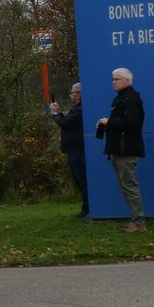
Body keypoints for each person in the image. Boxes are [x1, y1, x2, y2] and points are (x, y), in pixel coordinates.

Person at [96, 67, 146, 233]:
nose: (113, 82)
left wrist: (109, 122)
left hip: (126, 149)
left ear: (127, 80)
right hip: (118, 149)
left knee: (129, 186)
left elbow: (132, 122)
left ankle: (139, 222)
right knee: (124, 186)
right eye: (113, 79)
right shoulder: (121, 99)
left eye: (116, 79)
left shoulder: (131, 99)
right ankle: (135, 220)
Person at [50, 83, 88, 218]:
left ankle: (87, 209)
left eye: (72, 93)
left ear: (79, 95)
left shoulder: (79, 110)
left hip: (77, 149)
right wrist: (59, 112)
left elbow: (65, 124)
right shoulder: (77, 109)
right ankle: (86, 207)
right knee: (80, 179)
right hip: (75, 148)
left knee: (82, 179)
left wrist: (55, 114)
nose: (70, 95)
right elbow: (67, 122)